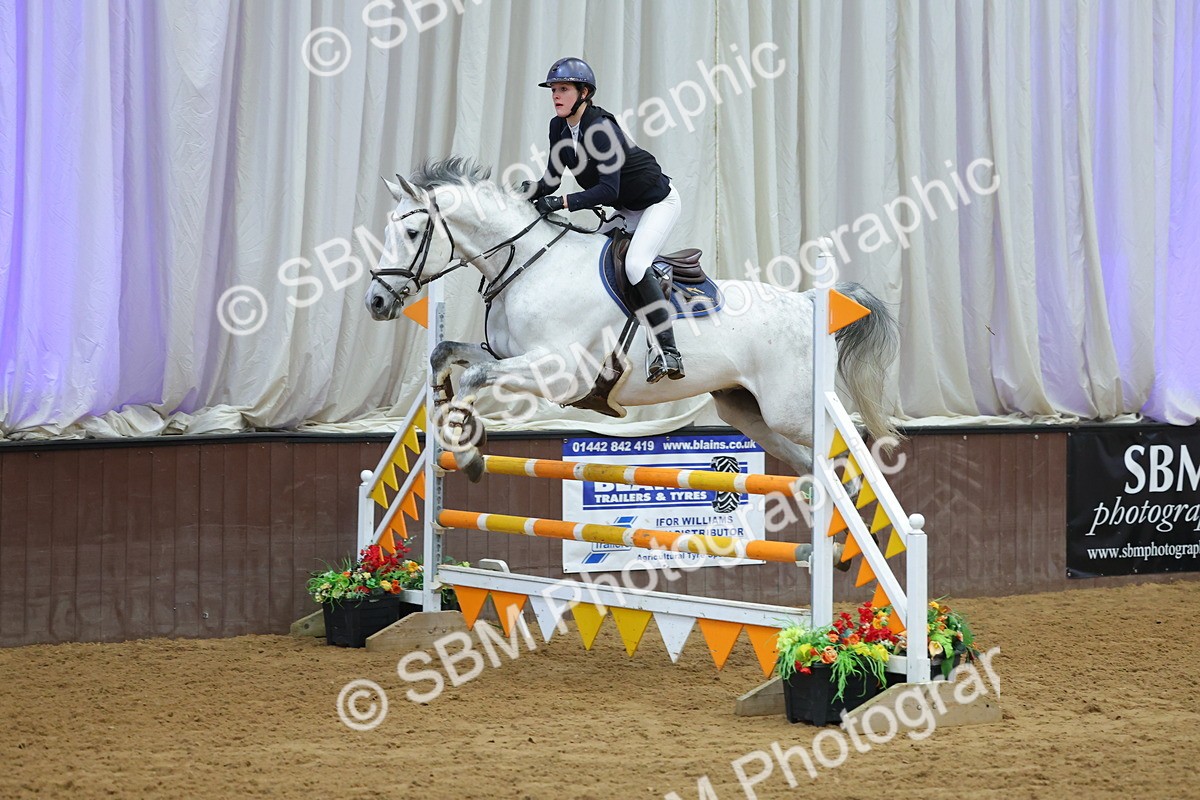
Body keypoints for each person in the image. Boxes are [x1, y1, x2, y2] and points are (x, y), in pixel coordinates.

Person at [520, 57, 685, 383]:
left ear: (584, 93)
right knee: (589, 260)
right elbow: (551, 181)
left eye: (563, 89)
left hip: (657, 203)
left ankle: (669, 351)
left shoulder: (601, 129)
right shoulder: (558, 127)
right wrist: (523, 193)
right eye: (553, 90)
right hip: (626, 208)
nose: (556, 96)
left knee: (635, 265)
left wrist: (562, 202)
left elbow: (608, 190)